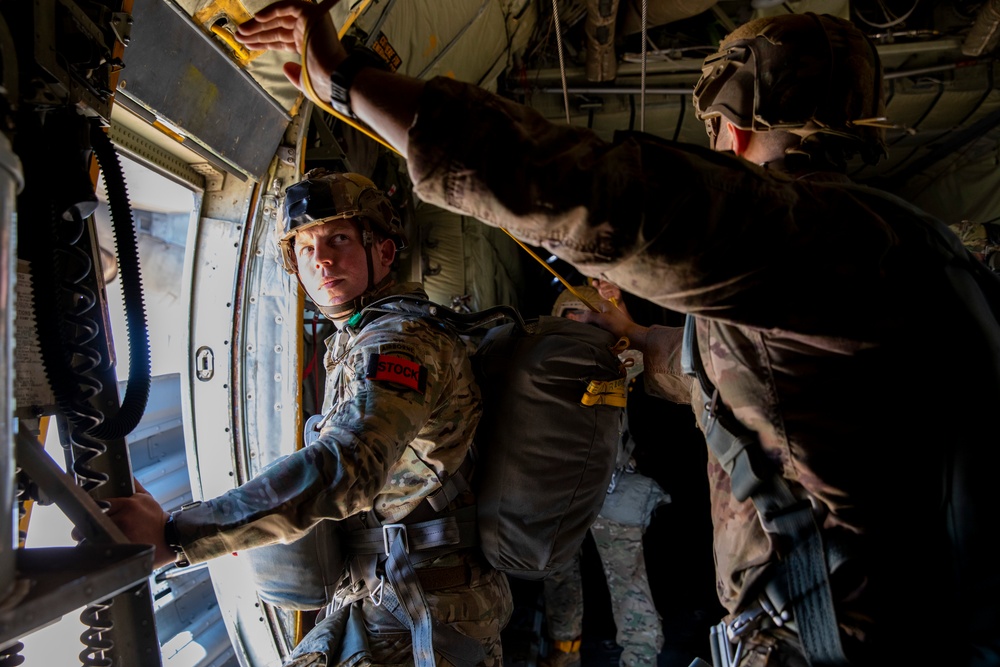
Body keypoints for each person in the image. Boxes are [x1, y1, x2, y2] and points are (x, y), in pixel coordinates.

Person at [236, 8, 1000, 667]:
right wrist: (638, 336)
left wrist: (347, 81)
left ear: (732, 130)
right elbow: (761, 389)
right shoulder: (919, 251)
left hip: (838, 641)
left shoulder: (799, 233)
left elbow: (566, 188)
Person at [103, 170, 512, 666]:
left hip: (421, 609)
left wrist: (179, 536)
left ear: (384, 252)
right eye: (304, 247)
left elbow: (347, 468)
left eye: (339, 238)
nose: (320, 258)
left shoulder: (400, 341)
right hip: (400, 596)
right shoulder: (364, 338)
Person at [542, 283, 668, 667]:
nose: (585, 324)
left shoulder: (621, 359)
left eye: (595, 316)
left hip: (611, 489)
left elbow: (647, 352)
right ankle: (565, 656)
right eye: (575, 315)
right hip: (558, 490)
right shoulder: (541, 357)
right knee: (559, 579)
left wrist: (619, 311)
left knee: (629, 582)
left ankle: (641, 658)